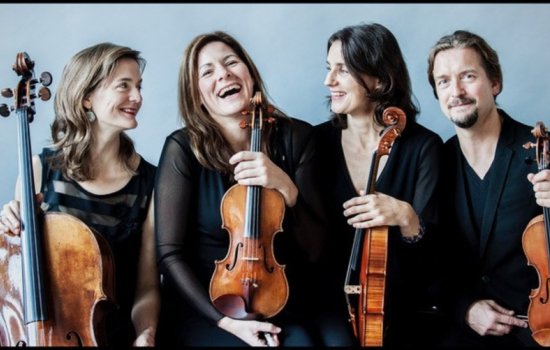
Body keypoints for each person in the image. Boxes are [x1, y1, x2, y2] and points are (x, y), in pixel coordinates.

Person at [154, 31, 325, 347]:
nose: (223, 74)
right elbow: (169, 254)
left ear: (250, 74)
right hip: (206, 308)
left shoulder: (297, 138)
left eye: (232, 62)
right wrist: (226, 322)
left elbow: (316, 251)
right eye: (207, 71)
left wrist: (285, 187)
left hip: (279, 301)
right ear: (196, 96)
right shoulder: (182, 149)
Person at [0, 43, 159, 347]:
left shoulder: (150, 182)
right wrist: (7, 234)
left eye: (138, 86)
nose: (137, 97)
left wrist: (145, 334)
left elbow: (147, 285)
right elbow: (15, 285)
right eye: (123, 86)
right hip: (38, 332)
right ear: (87, 97)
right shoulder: (39, 170)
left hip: (111, 336)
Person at [313, 22, 444, 347]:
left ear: (380, 79)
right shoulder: (314, 143)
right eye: (329, 69)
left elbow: (437, 262)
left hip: (400, 304)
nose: (328, 81)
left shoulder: (423, 147)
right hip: (326, 304)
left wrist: (407, 218)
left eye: (342, 70)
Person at [427, 29, 546, 347]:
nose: (456, 91)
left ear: (495, 83)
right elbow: (427, 257)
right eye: (444, 81)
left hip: (536, 329)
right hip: (462, 329)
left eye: (468, 76)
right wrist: (464, 308)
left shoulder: (539, 152)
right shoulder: (434, 161)